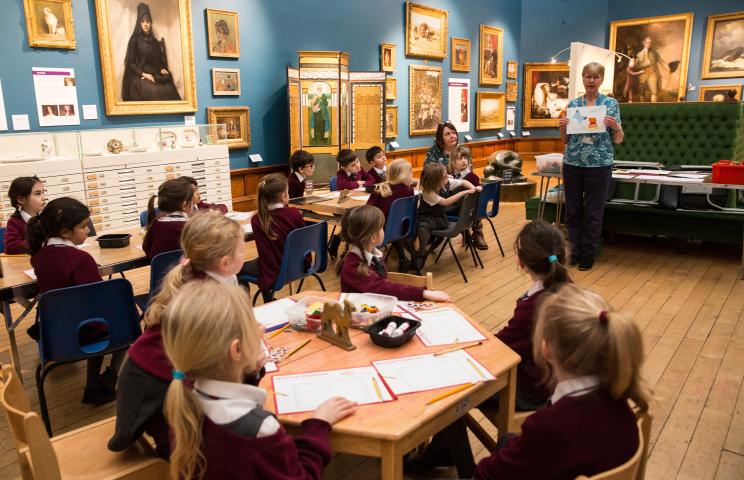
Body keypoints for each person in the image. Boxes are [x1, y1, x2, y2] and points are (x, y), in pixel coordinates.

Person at [162, 281, 356, 479]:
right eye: (253, 325)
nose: (261, 329)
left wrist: (248, 374)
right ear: (236, 351)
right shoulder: (259, 429)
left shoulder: (184, 402)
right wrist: (318, 426)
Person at [473, 284, 651, 478]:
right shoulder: (621, 402)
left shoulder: (551, 426)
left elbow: (485, 475)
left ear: (546, 349)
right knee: (508, 440)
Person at [109, 211, 245, 458]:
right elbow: (211, 361)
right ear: (225, 262)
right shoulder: (206, 296)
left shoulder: (201, 276)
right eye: (242, 250)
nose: (244, 254)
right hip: (156, 395)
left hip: (160, 380)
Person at [27, 197, 124, 405]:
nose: (88, 230)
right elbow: (99, 296)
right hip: (84, 330)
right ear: (64, 232)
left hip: (55, 332)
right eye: (83, 226)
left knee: (94, 321)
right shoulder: (80, 259)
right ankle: (108, 379)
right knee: (126, 325)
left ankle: (94, 387)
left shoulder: (39, 256)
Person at [559, 62, 623, 271]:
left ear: (601, 80)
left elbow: (619, 139)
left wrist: (616, 127)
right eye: (588, 77)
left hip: (599, 165)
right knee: (573, 210)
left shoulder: (610, 104)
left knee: (594, 212)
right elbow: (566, 140)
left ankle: (589, 254)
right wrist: (562, 127)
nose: (591, 81)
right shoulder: (574, 104)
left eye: (595, 78)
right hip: (573, 163)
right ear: (583, 79)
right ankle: (574, 252)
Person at [336, 205, 450, 302]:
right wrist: (423, 293)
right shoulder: (353, 266)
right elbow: (383, 288)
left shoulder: (374, 256)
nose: (384, 230)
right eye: (381, 227)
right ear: (373, 237)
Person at [243, 174, 306, 303]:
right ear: (284, 196)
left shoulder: (258, 219)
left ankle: (252, 306)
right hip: (299, 265)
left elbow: (265, 255)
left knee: (236, 270)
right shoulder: (295, 213)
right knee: (261, 262)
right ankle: (269, 301)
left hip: (276, 268)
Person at [415, 163, 480, 272]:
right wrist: (465, 192)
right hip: (427, 217)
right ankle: (422, 251)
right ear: (436, 180)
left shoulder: (447, 183)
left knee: (424, 227)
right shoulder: (428, 192)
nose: (448, 176)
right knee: (422, 227)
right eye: (444, 176)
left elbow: (463, 181)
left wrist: (474, 188)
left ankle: (425, 250)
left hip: (440, 218)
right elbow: (445, 202)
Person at [121, 3, 181, 102]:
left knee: (170, 88)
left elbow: (159, 61)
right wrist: (144, 75)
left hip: (155, 76)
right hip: (139, 77)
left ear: (150, 23)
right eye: (143, 21)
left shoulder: (155, 42)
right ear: (139, 23)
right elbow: (131, 64)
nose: (145, 24)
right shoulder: (134, 40)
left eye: (148, 21)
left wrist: (162, 69)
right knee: (153, 91)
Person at [367, 159, 416, 272]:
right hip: (403, 230)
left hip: (381, 232)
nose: (412, 175)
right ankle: (405, 258)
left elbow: (368, 211)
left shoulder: (379, 190)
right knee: (394, 221)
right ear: (402, 176)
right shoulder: (409, 191)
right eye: (410, 172)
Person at [142, 178, 195, 261]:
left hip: (161, 274)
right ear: (184, 205)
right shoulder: (193, 228)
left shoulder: (155, 225)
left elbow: (147, 250)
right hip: (188, 273)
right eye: (192, 202)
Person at [448, 146, 488, 250]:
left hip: (469, 210)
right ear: (453, 162)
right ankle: (466, 235)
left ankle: (472, 234)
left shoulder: (471, 176)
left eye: (465, 158)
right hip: (460, 208)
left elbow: (478, 195)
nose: (463, 161)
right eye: (459, 159)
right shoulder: (453, 176)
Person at [5, 176, 45, 254]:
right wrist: (37, 243)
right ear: (21, 200)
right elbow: (11, 246)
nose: (44, 198)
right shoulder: (14, 222)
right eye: (37, 194)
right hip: (23, 264)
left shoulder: (46, 218)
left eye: (43, 192)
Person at [636, 36, 668, 103]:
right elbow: (636, 67)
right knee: (641, 93)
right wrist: (645, 64)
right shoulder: (639, 54)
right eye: (647, 43)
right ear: (644, 43)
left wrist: (667, 67)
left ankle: (653, 107)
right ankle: (642, 108)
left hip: (652, 74)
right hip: (642, 76)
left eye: (650, 43)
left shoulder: (654, 53)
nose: (649, 44)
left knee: (654, 92)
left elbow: (660, 60)